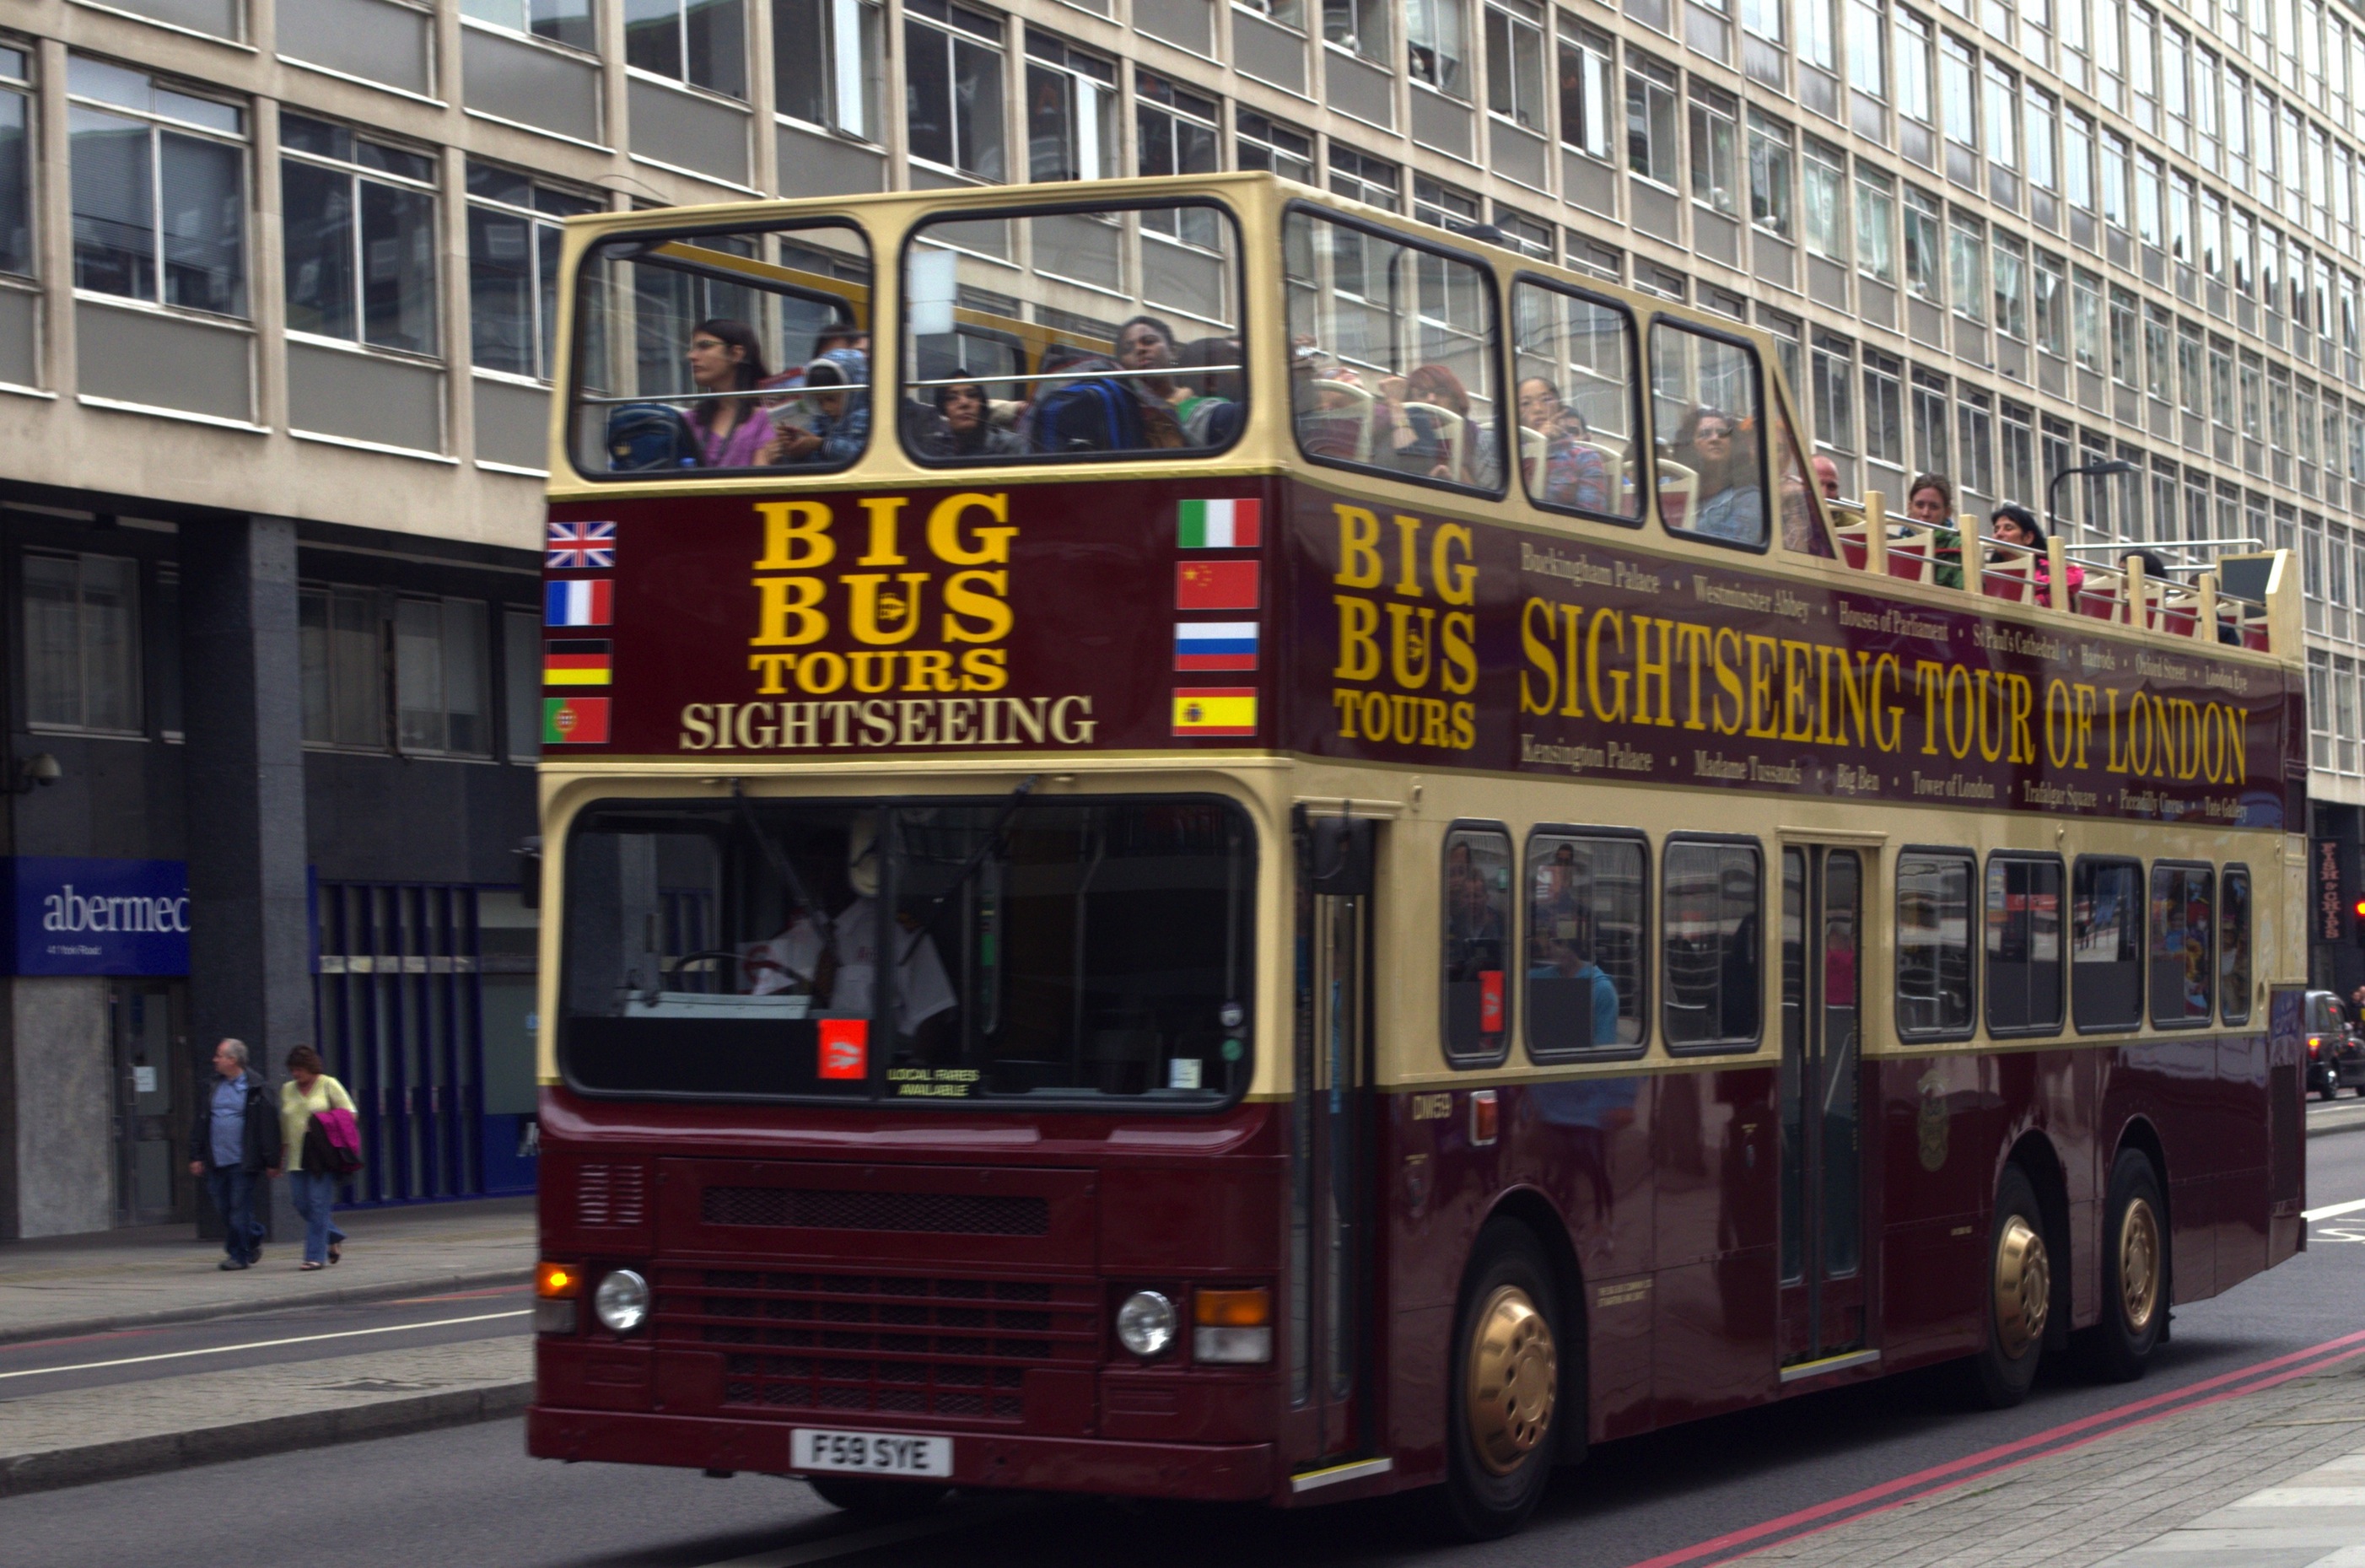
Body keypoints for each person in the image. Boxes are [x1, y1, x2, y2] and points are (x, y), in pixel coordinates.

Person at [742, 816, 957, 1044]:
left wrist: (912, 1070)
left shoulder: (897, 935)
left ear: (852, 870)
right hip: (799, 1064)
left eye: (823, 866)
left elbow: (933, 1011)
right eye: (809, 867)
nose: (814, 877)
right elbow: (762, 1019)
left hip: (871, 1066)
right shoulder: (788, 942)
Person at [188, 1038, 281, 1272]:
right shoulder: (212, 1086)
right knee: (224, 1208)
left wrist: (272, 1161)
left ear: (233, 1060)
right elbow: (201, 1123)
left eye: (219, 1055)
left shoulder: (257, 1088)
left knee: (239, 1207)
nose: (214, 1060)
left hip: (242, 1161)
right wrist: (196, 1155)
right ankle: (254, 1235)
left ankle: (238, 1256)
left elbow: (268, 1127)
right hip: (215, 1159)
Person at [279, 1045, 353, 1271]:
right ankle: (334, 1236)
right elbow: (284, 1123)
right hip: (296, 1156)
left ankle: (314, 1257)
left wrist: (324, 1123)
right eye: (292, 1070)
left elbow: (350, 1114)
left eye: (300, 1070)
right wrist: (278, 1156)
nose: (296, 1075)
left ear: (311, 1067)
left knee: (318, 1204)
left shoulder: (328, 1084)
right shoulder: (287, 1089)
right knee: (301, 1204)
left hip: (322, 1156)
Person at [682, 319, 775, 468]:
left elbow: (759, 483)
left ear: (736, 354)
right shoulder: (690, 420)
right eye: (693, 348)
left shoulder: (767, 418)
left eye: (705, 346)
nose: (691, 356)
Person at [1518, 376, 1613, 512]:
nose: (1538, 409)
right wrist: (1535, 447)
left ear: (1560, 409)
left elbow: (1591, 518)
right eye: (1526, 403)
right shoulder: (1505, 454)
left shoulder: (1584, 458)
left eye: (1546, 400)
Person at [763, 348, 870, 465]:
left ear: (853, 393)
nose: (825, 407)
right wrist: (794, 450)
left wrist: (821, 444)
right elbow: (814, 465)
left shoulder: (868, 420)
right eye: (819, 401)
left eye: (831, 399)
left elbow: (865, 456)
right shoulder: (821, 420)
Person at [1674, 407, 1764, 544]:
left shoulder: (1749, 499)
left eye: (1722, 433)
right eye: (1705, 433)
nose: (1715, 438)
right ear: (1690, 445)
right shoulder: (1671, 487)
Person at [1991, 503, 2085, 607]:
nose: (1999, 534)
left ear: (2028, 537)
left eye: (2008, 528)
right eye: (1996, 530)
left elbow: (2076, 576)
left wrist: (2031, 585)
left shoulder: (2048, 567)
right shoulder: (1986, 570)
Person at [934, 379, 1021, 456]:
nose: (964, 403)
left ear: (981, 405)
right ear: (943, 409)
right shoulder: (932, 448)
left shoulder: (1010, 446)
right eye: (952, 398)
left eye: (972, 395)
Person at [1907, 472, 1964, 588]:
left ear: (1947, 512)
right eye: (1920, 505)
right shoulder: (1893, 545)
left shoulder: (1960, 546)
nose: (1925, 513)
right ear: (1910, 507)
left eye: (1934, 507)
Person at [1115, 315, 1181, 403]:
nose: (1139, 349)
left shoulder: (1201, 409)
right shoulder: (1117, 408)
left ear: (1172, 351)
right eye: (1128, 349)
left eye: (1149, 341)